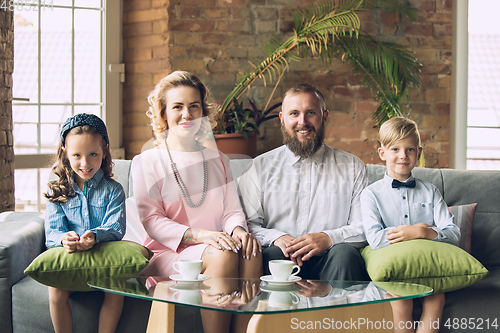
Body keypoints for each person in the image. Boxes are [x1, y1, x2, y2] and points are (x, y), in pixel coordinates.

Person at [131, 70, 262, 333]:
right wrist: (203, 236)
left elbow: (232, 211)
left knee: (251, 249)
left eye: (194, 106)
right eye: (177, 107)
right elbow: (152, 221)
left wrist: (238, 230)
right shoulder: (146, 161)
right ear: (163, 113)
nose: (187, 115)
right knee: (224, 253)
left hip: (215, 245)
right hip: (168, 253)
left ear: (203, 112)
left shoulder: (220, 161)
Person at [238, 83, 369, 281]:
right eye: (294, 113)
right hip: (281, 257)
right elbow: (248, 225)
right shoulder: (259, 167)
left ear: (324, 117)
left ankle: (336, 313)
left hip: (332, 258)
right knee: (270, 256)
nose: (303, 121)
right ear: (282, 120)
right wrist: (275, 238)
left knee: (346, 255)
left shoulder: (353, 167)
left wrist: (328, 238)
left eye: (311, 113)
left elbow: (364, 226)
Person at [360, 116, 460, 333]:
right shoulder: (371, 195)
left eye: (410, 150)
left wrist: (424, 232)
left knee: (436, 299)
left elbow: (453, 234)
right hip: (395, 270)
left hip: (429, 268)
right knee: (401, 300)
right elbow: (375, 238)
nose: (403, 156)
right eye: (395, 149)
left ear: (419, 153)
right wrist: (408, 233)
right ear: (382, 153)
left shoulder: (430, 191)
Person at [44, 113, 126, 333]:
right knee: (56, 291)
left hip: (103, 260)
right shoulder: (57, 191)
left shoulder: (114, 190)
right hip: (71, 260)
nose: (85, 163)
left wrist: (95, 235)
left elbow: (116, 228)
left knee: (116, 291)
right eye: (77, 155)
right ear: (65, 152)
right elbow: (52, 232)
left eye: (93, 154)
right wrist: (64, 239)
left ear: (105, 150)